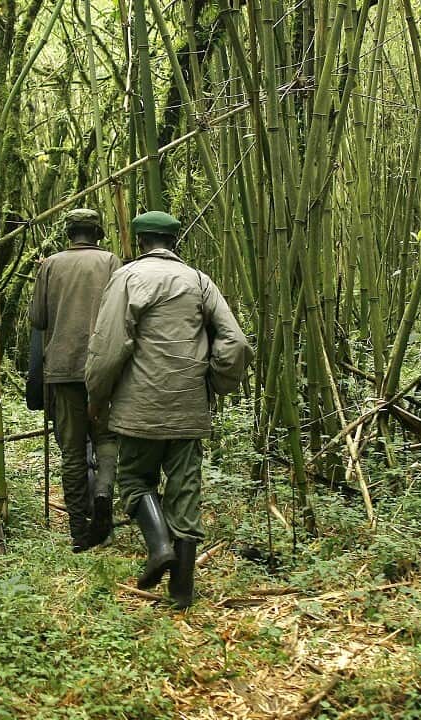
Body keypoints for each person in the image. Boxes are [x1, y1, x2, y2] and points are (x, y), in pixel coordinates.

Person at [84, 211, 252, 609]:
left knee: (136, 481)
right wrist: (214, 384)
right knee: (186, 494)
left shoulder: (127, 278)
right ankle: (182, 592)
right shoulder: (199, 280)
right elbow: (236, 342)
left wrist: (97, 395)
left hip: (139, 408)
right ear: (174, 242)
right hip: (188, 408)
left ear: (139, 241)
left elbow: (109, 348)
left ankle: (159, 547)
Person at [28, 209, 122, 553]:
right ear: (97, 232)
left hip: (62, 368)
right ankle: (103, 496)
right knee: (107, 438)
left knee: (71, 452)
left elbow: (37, 318)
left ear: (68, 233)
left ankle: (79, 533)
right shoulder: (111, 262)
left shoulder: (50, 265)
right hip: (104, 367)